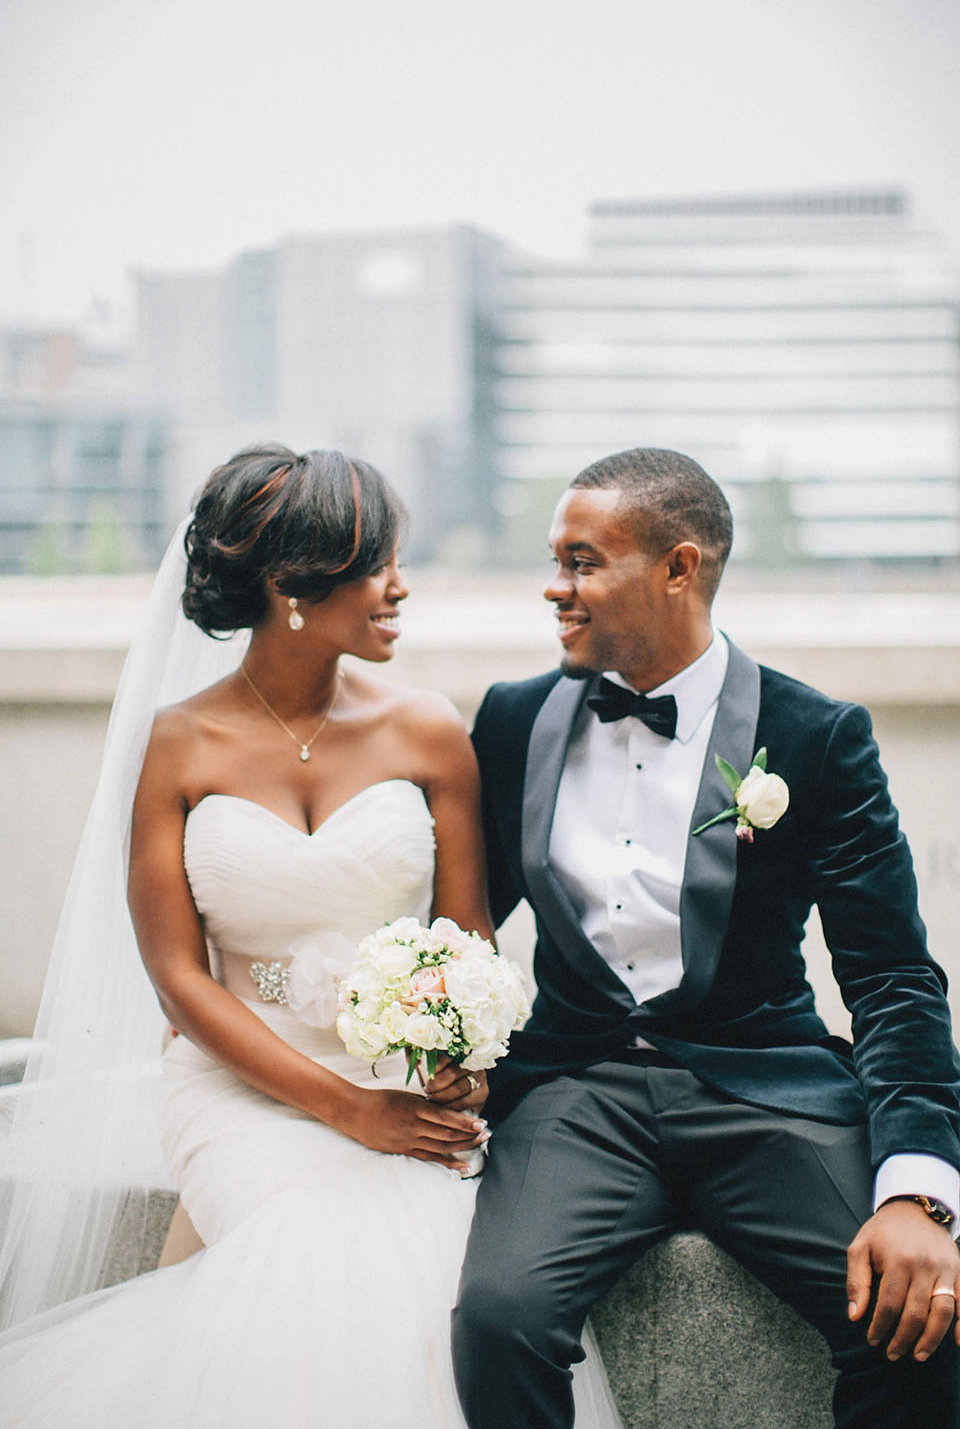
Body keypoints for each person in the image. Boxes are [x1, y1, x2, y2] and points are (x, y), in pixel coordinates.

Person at [0, 445, 621, 1428]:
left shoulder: (427, 733)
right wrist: (343, 1109)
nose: (399, 589)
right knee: (316, 1256)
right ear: (292, 586)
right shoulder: (179, 743)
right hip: (239, 1084)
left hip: (397, 1080)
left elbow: (467, 939)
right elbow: (176, 978)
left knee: (443, 1268)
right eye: (379, 565)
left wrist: (457, 1063)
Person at [453, 447, 960, 1429]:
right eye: (556, 561)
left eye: (583, 561)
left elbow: (894, 979)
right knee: (499, 1317)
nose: (554, 589)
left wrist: (918, 1193)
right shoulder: (515, 720)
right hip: (574, 1094)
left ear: (680, 568)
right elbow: (459, 928)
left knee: (922, 1317)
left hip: (765, 1089)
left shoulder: (815, 736)